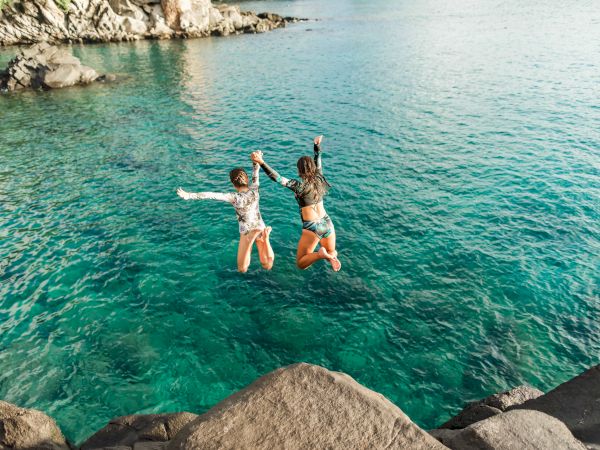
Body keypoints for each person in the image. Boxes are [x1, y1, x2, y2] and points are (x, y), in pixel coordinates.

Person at [251, 136, 341, 271]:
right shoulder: (320, 178)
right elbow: (318, 162)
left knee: (301, 263)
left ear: (299, 171)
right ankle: (329, 256)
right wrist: (316, 146)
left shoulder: (299, 186)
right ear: (313, 168)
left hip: (312, 226)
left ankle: (320, 255)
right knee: (332, 251)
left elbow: (278, 178)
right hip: (327, 222)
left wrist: (262, 162)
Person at [176, 153, 274, 273]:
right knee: (267, 265)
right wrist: (255, 161)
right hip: (260, 226)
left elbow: (211, 195)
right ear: (246, 179)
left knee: (242, 269)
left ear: (233, 184)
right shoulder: (255, 189)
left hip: (247, 230)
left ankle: (250, 239)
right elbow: (256, 172)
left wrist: (189, 195)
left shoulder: (234, 197)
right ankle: (266, 238)